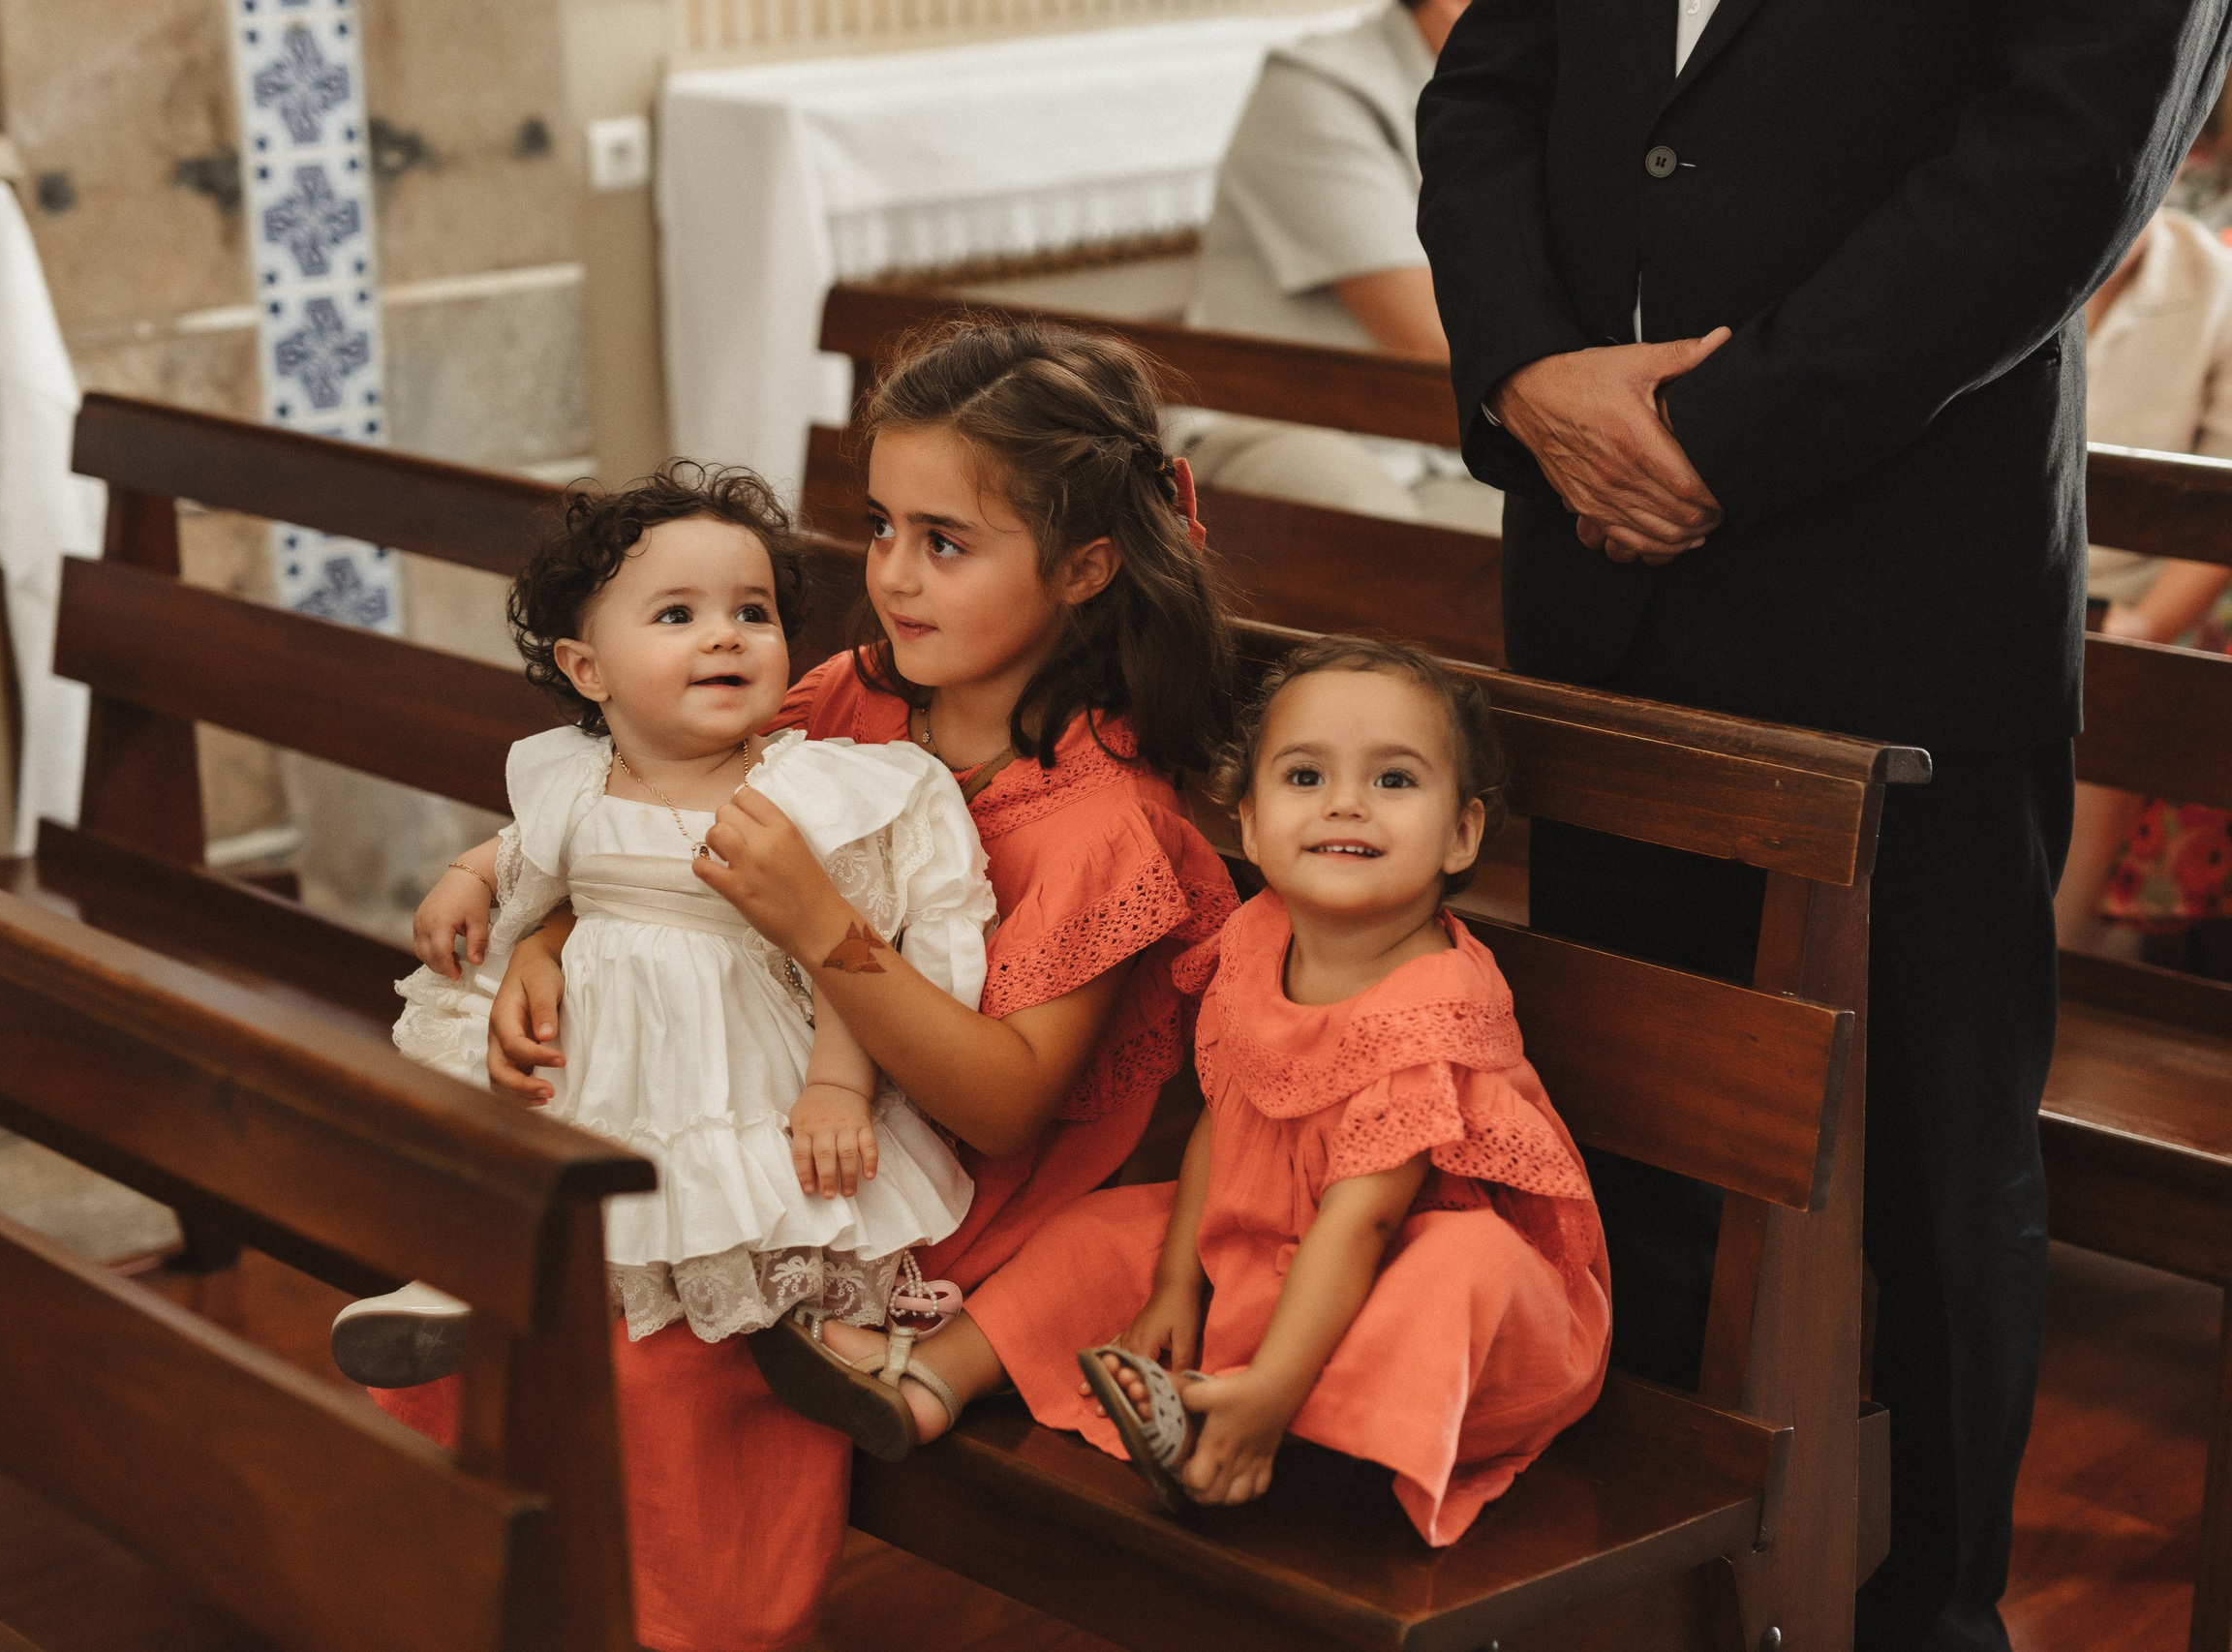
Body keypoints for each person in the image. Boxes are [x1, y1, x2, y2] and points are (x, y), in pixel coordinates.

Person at [1416, 2, 2232, 1644]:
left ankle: (1929, 1608)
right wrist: (1527, 381)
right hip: (1604, 594)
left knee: (1933, 1176)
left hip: (1907, 600)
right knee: (1614, 1136)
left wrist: (1710, 444)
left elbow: (2053, 170)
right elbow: (1486, 98)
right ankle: (1644, 1599)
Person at [475, 320, 1241, 1652]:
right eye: (882, 526)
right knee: (512, 1261)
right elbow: (655, 831)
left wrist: (823, 924)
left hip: (906, 1193)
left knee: (636, 1339)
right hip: (734, 1113)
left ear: (1084, 566)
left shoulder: (1106, 828)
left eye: (945, 541)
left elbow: (1003, 1109)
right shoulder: (847, 700)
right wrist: (544, 949)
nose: (891, 574)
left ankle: (690, 1626)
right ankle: (480, 1587)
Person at [763, 638, 1610, 1546]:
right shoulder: (1259, 938)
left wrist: (1272, 1381)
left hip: (1453, 1312)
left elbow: (1364, 1226)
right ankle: (933, 1379)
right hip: (1288, 1245)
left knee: (1455, 1271)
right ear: (1248, 823)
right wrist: (1174, 1282)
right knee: (1101, 1235)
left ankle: (1259, 1423)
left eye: (1395, 781)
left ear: (1463, 835)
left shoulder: (1432, 1006)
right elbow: (1231, 1115)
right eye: (1305, 776)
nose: (1347, 803)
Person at [330, 468, 995, 1404]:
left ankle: (816, 1327)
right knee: (517, 1138)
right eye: (676, 615)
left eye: (752, 613)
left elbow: (851, 943)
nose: (726, 634)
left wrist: (838, 1087)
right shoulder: (577, 778)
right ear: (587, 670)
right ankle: (463, 1286)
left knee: (750, 1191)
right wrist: (468, 878)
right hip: (599, 1047)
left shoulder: (802, 788)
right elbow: (526, 853)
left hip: (736, 1052)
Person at [1173, 0, 1501, 534]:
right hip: (1285, 424)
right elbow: (1429, 338)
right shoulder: (1315, 87)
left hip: (1444, 442)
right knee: (1389, 538)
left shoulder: (1543, 92)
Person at [2052, 202, 2232, 952]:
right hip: (1980, 578)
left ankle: (2059, 959)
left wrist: (2144, 624)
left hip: (2119, 602)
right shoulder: (1996, 245)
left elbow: (2223, 508)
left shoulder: (2214, 286)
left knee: (2108, 684)